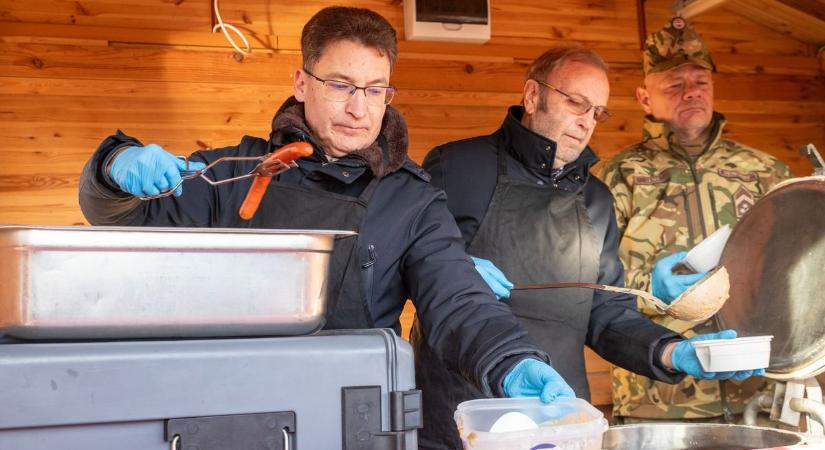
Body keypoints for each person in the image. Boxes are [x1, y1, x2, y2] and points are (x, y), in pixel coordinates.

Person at [78, 6, 574, 416]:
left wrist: (511, 360)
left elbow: (458, 302)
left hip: (354, 412)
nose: (360, 109)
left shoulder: (413, 201)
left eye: (376, 89)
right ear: (301, 82)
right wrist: (114, 166)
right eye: (340, 85)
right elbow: (121, 219)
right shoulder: (229, 174)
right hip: (228, 406)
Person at [410, 45, 764, 449]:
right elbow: (409, 261)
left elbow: (606, 314)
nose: (586, 122)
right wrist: (454, 265)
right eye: (577, 103)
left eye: (597, 112)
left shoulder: (596, 199)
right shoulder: (456, 166)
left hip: (560, 417)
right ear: (532, 95)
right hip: (461, 418)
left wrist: (672, 351)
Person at [596, 17, 792, 423]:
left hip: (758, 398)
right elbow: (590, 286)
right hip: (658, 402)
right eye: (674, 84)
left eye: (700, 82)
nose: (691, 93)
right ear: (644, 98)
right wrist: (650, 289)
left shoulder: (765, 172)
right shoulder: (617, 177)